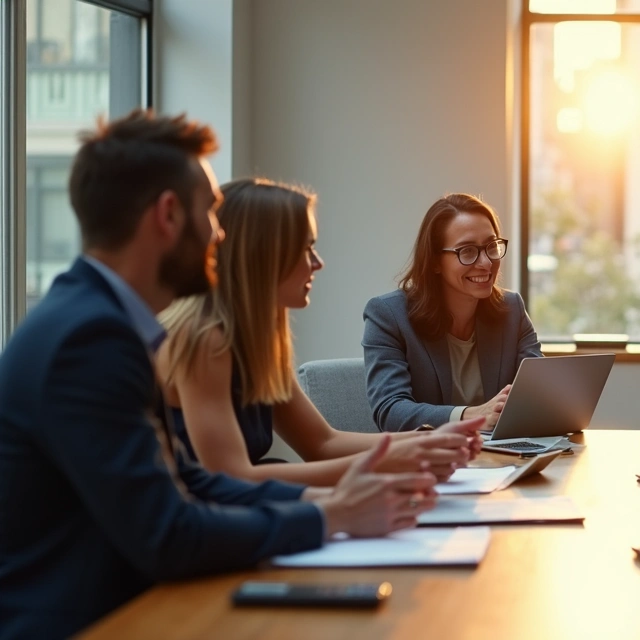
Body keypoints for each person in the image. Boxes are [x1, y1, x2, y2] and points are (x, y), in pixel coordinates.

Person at [0, 111, 434, 638]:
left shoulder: (99, 321)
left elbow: (193, 482)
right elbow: (168, 534)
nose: (220, 233)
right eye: (211, 212)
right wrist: (331, 517)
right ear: (168, 214)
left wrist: (333, 502)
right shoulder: (90, 341)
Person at [157, 178, 482, 487]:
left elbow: (323, 443)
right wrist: (397, 460)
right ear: (265, 256)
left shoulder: (256, 340)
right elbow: (233, 479)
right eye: (306, 248)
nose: (318, 262)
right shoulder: (205, 339)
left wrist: (427, 440)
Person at [364, 193, 542, 432]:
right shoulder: (388, 316)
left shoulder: (512, 309)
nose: (487, 263)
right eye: (467, 251)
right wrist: (471, 416)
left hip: (503, 459)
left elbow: (541, 397)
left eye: (491, 246)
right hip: (430, 462)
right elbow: (390, 411)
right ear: (435, 261)